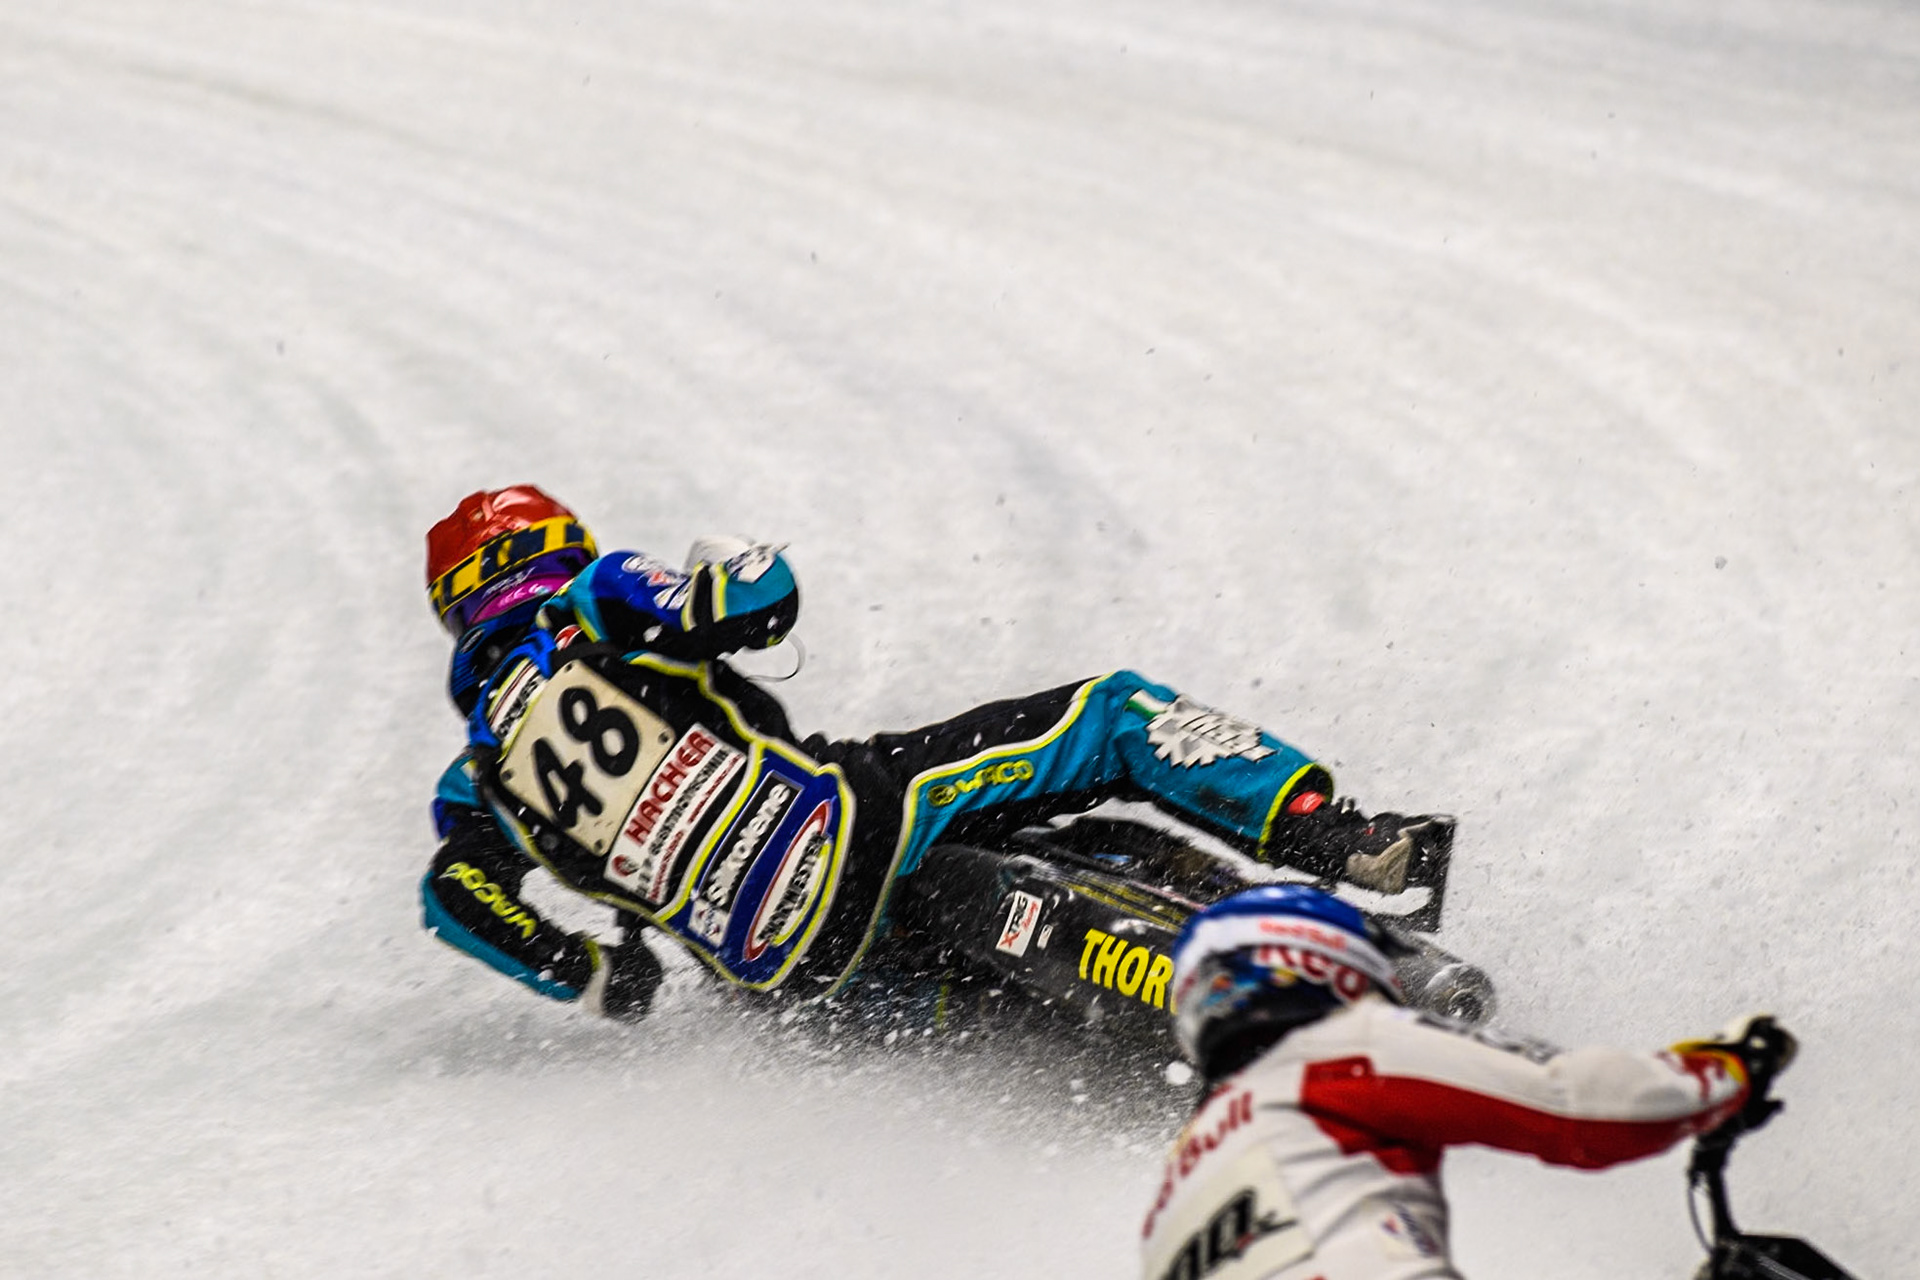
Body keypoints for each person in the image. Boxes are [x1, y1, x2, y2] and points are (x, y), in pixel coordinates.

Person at [418, 484, 1453, 1022]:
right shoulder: (585, 599)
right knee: (1111, 715)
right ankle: (1349, 846)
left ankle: (1141, 1031)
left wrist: (596, 974)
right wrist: (728, 566)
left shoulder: (479, 778)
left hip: (776, 975)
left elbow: (454, 898)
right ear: (539, 550)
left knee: (966, 994)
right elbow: (759, 598)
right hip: (843, 821)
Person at [1140, 883, 1798, 1280]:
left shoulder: (1176, 1186)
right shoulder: (1333, 1051)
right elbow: (1591, 1105)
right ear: (1328, 962)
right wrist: (1735, 1063)